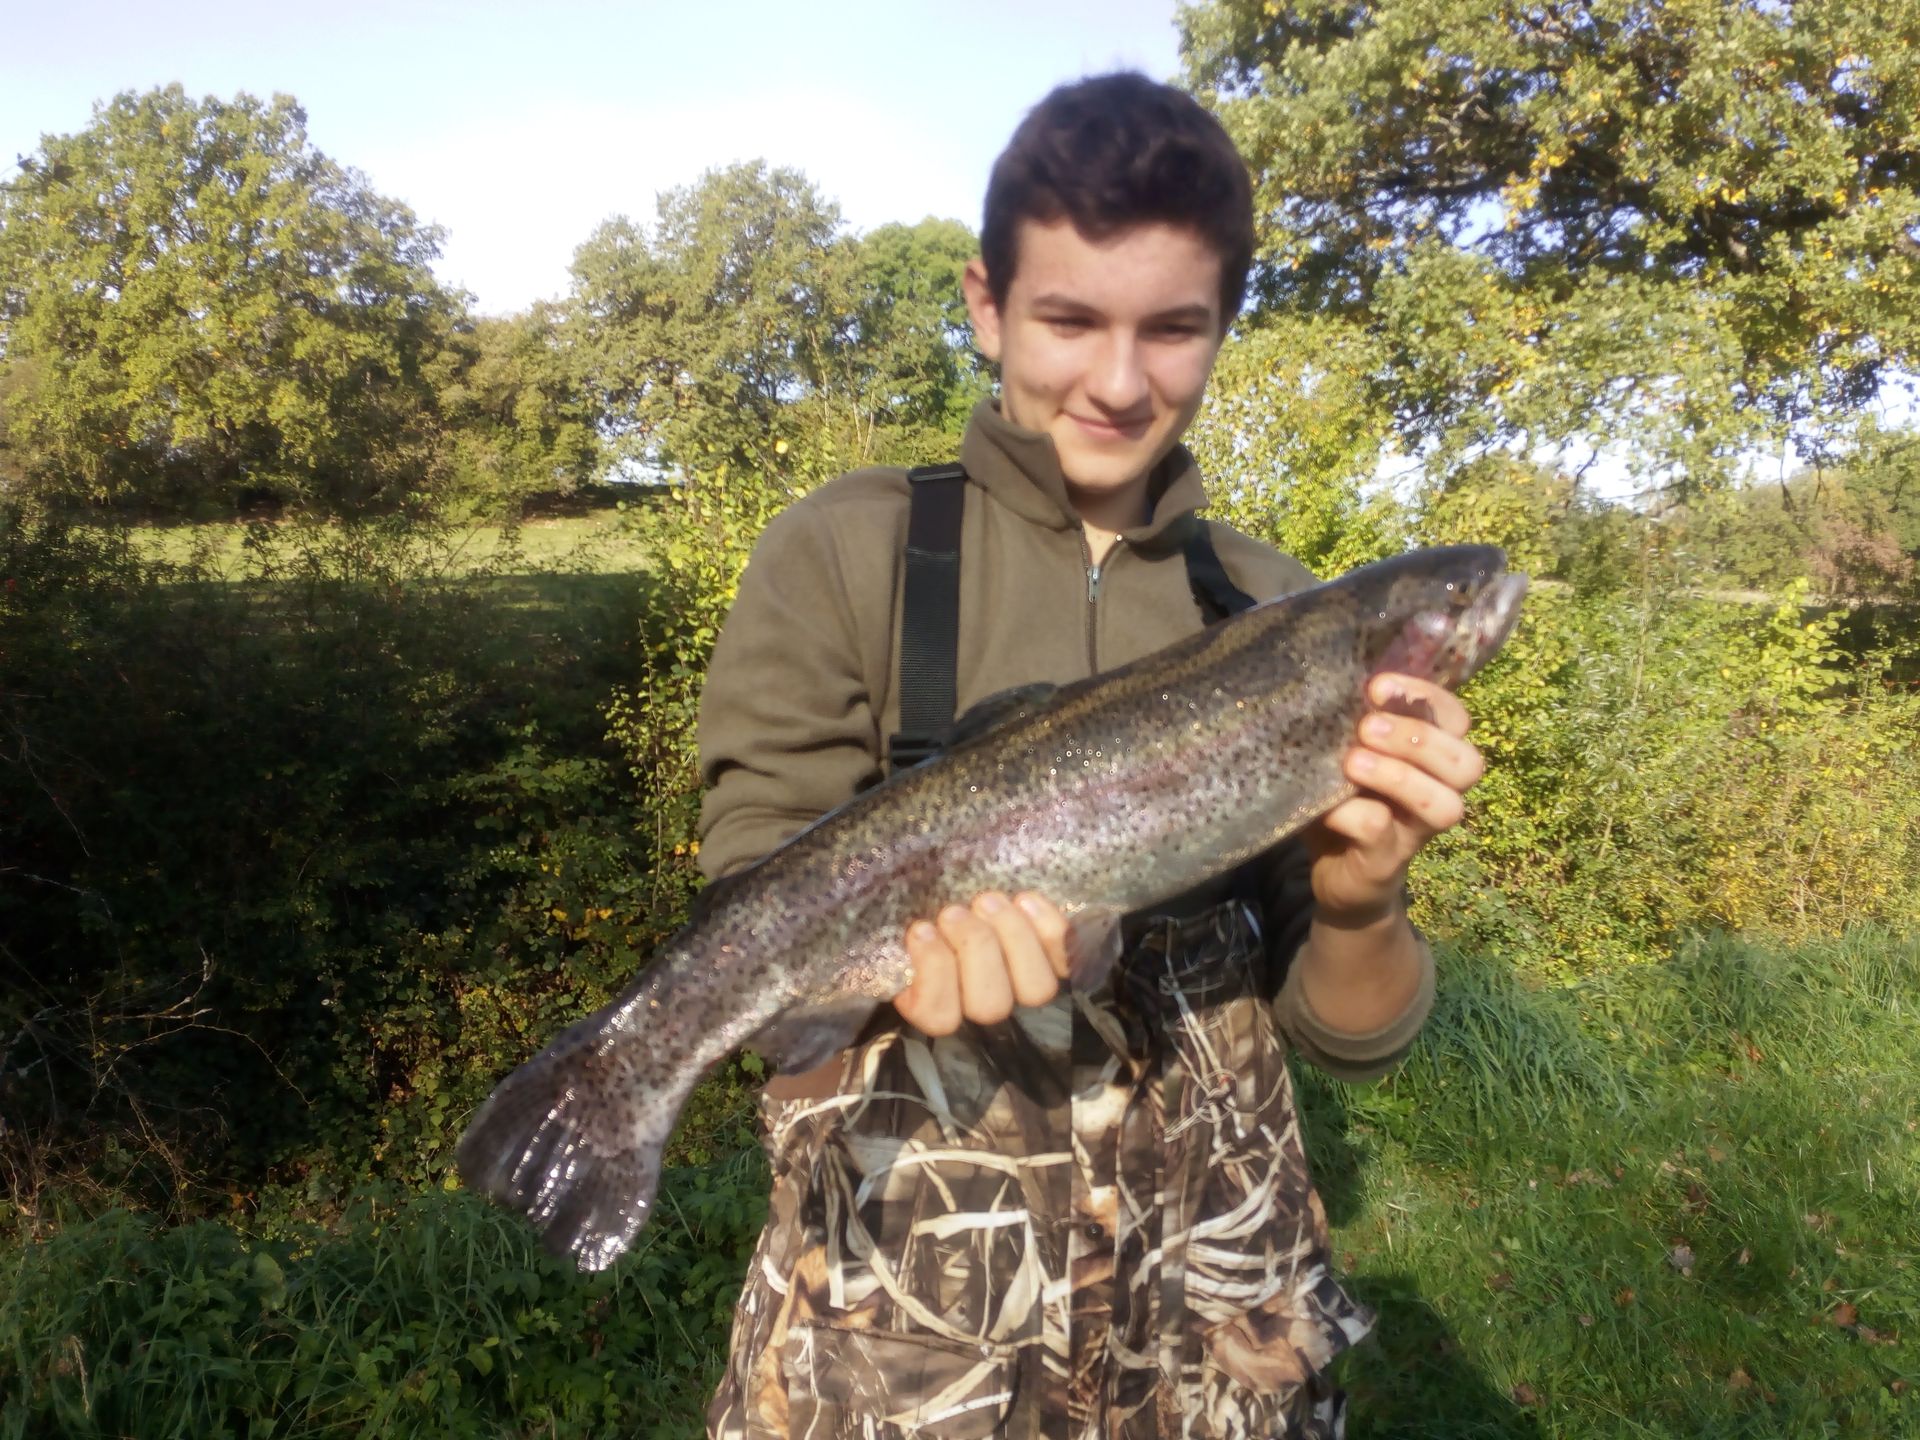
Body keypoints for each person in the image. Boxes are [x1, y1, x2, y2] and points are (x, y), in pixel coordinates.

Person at [695, 72, 1485, 1440]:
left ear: (1225, 330)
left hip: (1219, 1339)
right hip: (900, 1336)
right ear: (985, 304)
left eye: (1173, 329)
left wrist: (1365, 895)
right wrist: (889, 979)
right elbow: (756, 906)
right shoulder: (845, 552)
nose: (1120, 382)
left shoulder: (1279, 610)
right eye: (1069, 319)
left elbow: (1355, 1038)